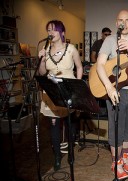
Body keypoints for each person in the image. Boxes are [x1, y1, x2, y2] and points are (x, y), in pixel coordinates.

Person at [96, 10, 128, 180]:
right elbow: (100, 65)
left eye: (127, 20)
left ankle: (125, 155)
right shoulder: (110, 40)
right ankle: (115, 161)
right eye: (120, 20)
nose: (124, 23)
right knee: (115, 127)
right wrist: (109, 88)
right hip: (115, 91)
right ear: (116, 22)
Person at [38, 20, 83, 171]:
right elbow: (42, 73)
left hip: (67, 90)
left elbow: (79, 66)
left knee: (70, 124)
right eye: (48, 30)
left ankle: (70, 152)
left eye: (53, 30)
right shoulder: (46, 49)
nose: (50, 32)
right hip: (51, 92)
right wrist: (42, 61)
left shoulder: (71, 49)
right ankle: (57, 156)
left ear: (62, 32)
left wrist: (77, 84)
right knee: (54, 125)